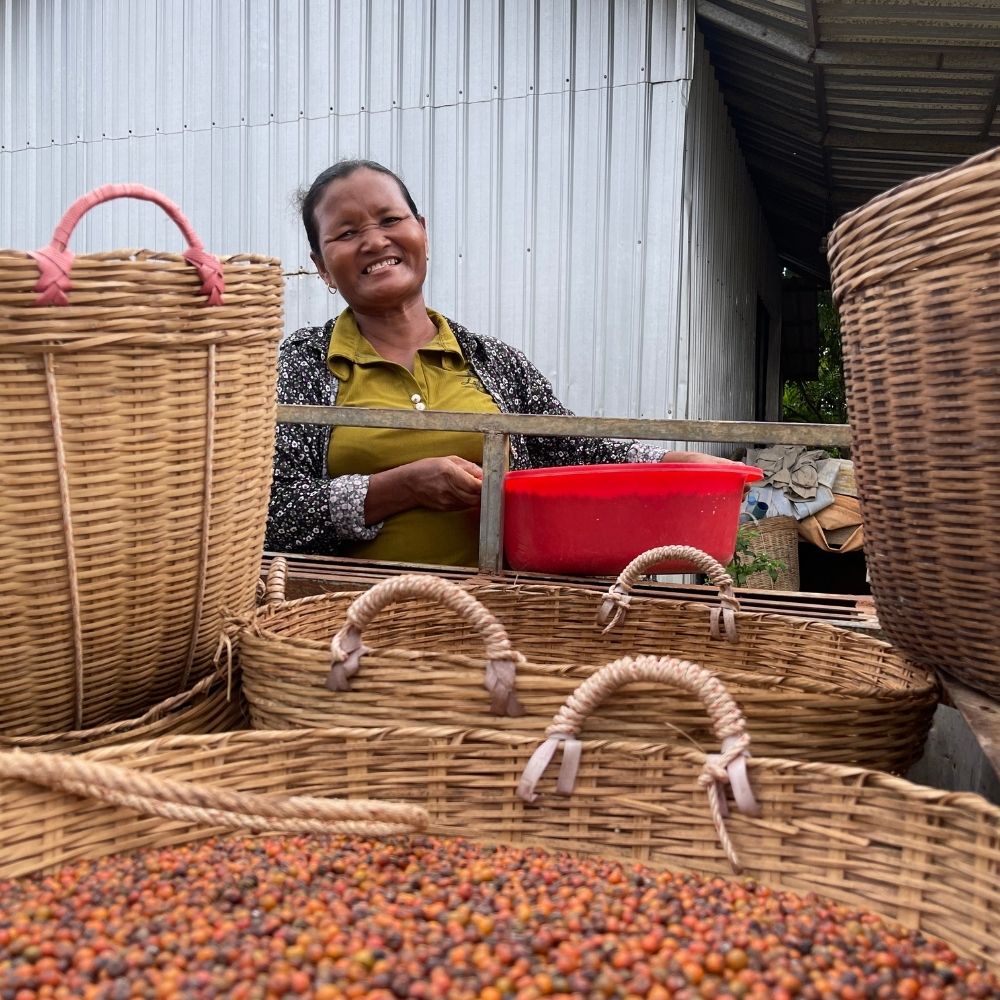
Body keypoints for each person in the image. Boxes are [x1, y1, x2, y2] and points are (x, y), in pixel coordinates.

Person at [266, 159, 738, 566]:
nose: (373, 241)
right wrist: (402, 486)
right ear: (322, 266)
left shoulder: (494, 362)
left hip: (499, 620)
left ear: (422, 232)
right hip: (347, 622)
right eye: (347, 233)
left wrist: (677, 462)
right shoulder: (301, 365)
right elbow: (268, 517)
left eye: (389, 219)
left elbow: (574, 450)